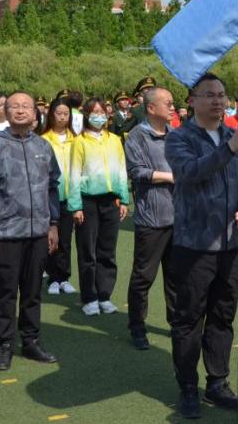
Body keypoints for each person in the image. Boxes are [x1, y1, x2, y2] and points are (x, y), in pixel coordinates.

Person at [164, 72, 238, 419]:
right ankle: (188, 387)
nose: (218, 100)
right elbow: (190, 173)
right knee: (188, 319)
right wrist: (228, 149)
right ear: (192, 101)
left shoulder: (236, 135)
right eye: (209, 95)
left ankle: (217, 382)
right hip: (195, 245)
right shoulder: (180, 138)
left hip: (230, 243)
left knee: (222, 316)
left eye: (221, 94)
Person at [0, 91, 60, 371]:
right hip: (7, 232)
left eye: (26, 106)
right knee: (6, 291)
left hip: (39, 232)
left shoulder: (44, 146)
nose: (21, 110)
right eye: (15, 106)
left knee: (33, 290)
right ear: (5, 111)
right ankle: (5, 345)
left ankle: (31, 341)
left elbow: (53, 187)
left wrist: (53, 225)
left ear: (35, 113)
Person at [124, 86, 177, 350]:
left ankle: (177, 322)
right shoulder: (137, 136)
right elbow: (137, 171)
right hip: (151, 218)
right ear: (151, 107)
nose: (173, 107)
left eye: (173, 102)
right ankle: (137, 326)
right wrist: (170, 176)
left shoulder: (176, 135)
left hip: (178, 216)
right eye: (168, 103)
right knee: (143, 276)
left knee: (176, 277)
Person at [67, 97, 130, 316]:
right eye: (94, 112)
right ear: (86, 115)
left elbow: (121, 169)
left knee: (107, 250)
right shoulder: (80, 141)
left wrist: (124, 198)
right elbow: (74, 174)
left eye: (102, 112)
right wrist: (76, 206)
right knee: (88, 250)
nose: (99, 116)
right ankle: (89, 296)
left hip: (110, 200)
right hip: (88, 201)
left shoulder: (114, 140)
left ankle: (104, 295)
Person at [41, 97, 77, 295]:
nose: (63, 117)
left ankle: (63, 277)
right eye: (59, 113)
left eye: (66, 114)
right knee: (50, 238)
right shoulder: (44, 139)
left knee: (65, 239)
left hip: (70, 196)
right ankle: (52, 277)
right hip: (49, 195)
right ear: (51, 115)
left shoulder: (76, 139)